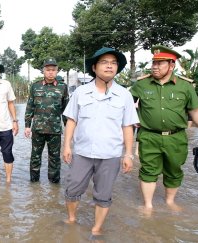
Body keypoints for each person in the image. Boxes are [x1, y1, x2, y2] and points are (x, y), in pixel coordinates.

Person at [62, 47, 139, 236]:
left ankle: (96, 230)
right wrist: (67, 146)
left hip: (110, 154)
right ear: (94, 68)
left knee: (103, 194)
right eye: (105, 62)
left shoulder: (124, 95)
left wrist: (128, 154)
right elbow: (72, 120)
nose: (110, 66)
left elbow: (128, 126)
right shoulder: (80, 92)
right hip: (82, 152)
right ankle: (71, 219)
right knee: (73, 189)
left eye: (113, 63)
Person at [130, 45, 198, 212]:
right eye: (153, 63)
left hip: (176, 137)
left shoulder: (185, 86)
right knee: (148, 170)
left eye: (160, 63)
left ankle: (170, 202)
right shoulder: (142, 84)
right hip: (149, 136)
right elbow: (126, 106)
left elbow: (196, 111)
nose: (154, 67)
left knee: (174, 169)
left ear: (171, 65)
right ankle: (148, 206)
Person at [24, 58, 69, 183]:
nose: (50, 72)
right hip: (38, 129)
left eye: (53, 70)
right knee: (35, 157)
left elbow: (66, 110)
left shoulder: (62, 87)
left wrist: (69, 129)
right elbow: (30, 106)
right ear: (43, 71)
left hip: (55, 130)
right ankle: (34, 183)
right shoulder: (35, 86)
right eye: (48, 70)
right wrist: (27, 125)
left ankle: (54, 185)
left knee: (54, 158)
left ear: (57, 71)